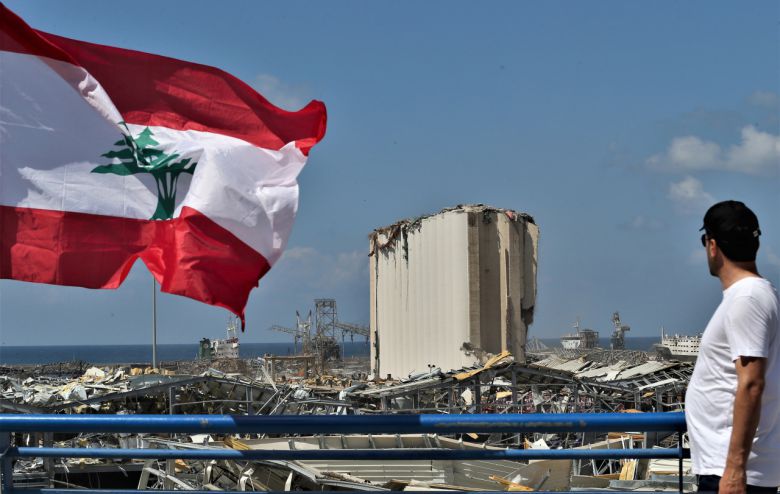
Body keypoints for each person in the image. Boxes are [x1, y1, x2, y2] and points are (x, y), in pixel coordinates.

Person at [685, 200, 779, 494]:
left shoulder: (747, 299)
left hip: (734, 473)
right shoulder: (754, 295)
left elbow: (751, 383)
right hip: (731, 469)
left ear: (712, 245)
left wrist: (735, 469)